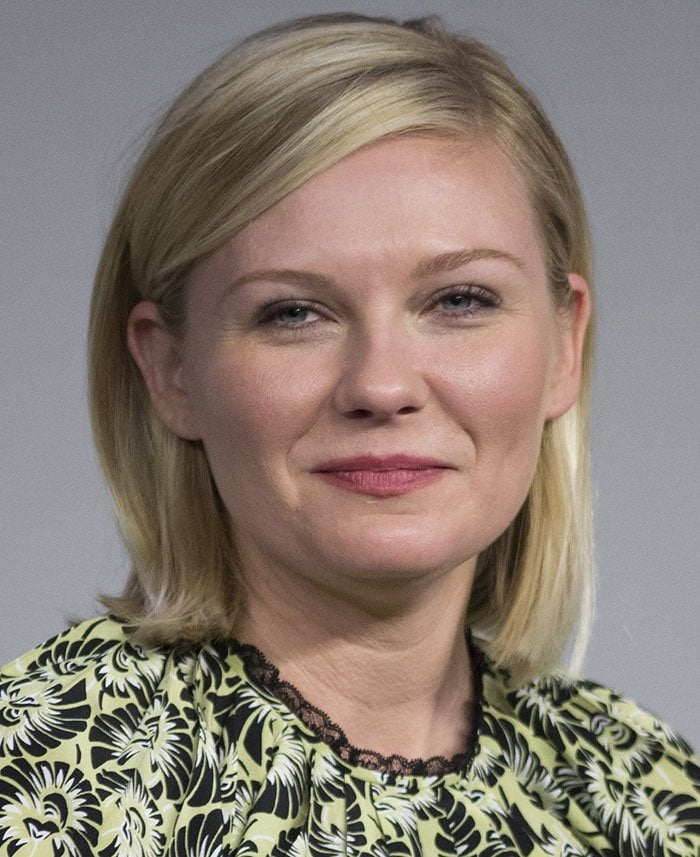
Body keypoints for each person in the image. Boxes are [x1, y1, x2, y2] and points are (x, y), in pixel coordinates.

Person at [0, 12, 697, 856]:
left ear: (563, 347)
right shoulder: (36, 781)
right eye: (293, 311)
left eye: (460, 300)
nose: (381, 384)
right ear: (170, 370)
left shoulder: (649, 794)